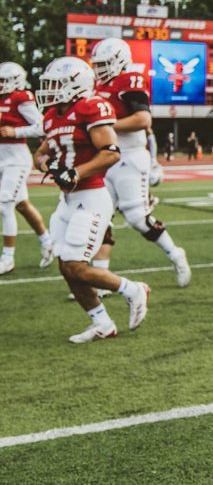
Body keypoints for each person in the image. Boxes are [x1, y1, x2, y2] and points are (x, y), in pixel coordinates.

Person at [33, 57, 150, 342]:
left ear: (75, 85)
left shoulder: (90, 107)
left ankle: (132, 289)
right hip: (68, 200)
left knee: (76, 266)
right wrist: (53, 168)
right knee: (65, 266)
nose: (49, 89)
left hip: (92, 196)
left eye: (55, 84)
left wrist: (75, 172)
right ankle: (102, 323)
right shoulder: (52, 116)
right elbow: (40, 155)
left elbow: (111, 152)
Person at [89, 39, 191, 287]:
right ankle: (101, 279)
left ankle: (176, 254)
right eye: (97, 64)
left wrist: (105, 126)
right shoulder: (98, 85)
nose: (100, 69)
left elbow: (143, 119)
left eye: (105, 64)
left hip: (130, 157)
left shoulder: (130, 80)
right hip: (106, 158)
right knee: (100, 217)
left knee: (136, 217)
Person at [0, 61, 54, 273]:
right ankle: (48, 242)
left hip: (16, 158)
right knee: (22, 204)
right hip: (2, 156)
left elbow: (42, 126)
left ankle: (8, 257)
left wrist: (16, 132)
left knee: (5, 206)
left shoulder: (21, 97)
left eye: (4, 80)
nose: (1, 84)